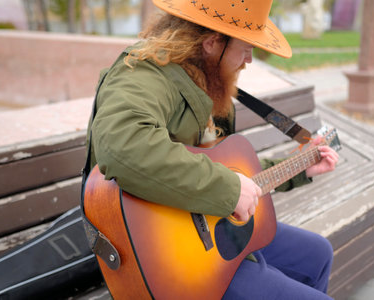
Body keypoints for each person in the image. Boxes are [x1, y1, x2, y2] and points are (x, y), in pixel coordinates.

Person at [85, 0, 339, 298]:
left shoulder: (210, 82)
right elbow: (122, 146)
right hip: (162, 255)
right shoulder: (144, 73)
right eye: (245, 49)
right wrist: (228, 189)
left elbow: (228, 172)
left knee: (318, 254)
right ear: (212, 42)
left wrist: (299, 167)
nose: (249, 60)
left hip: (211, 231)